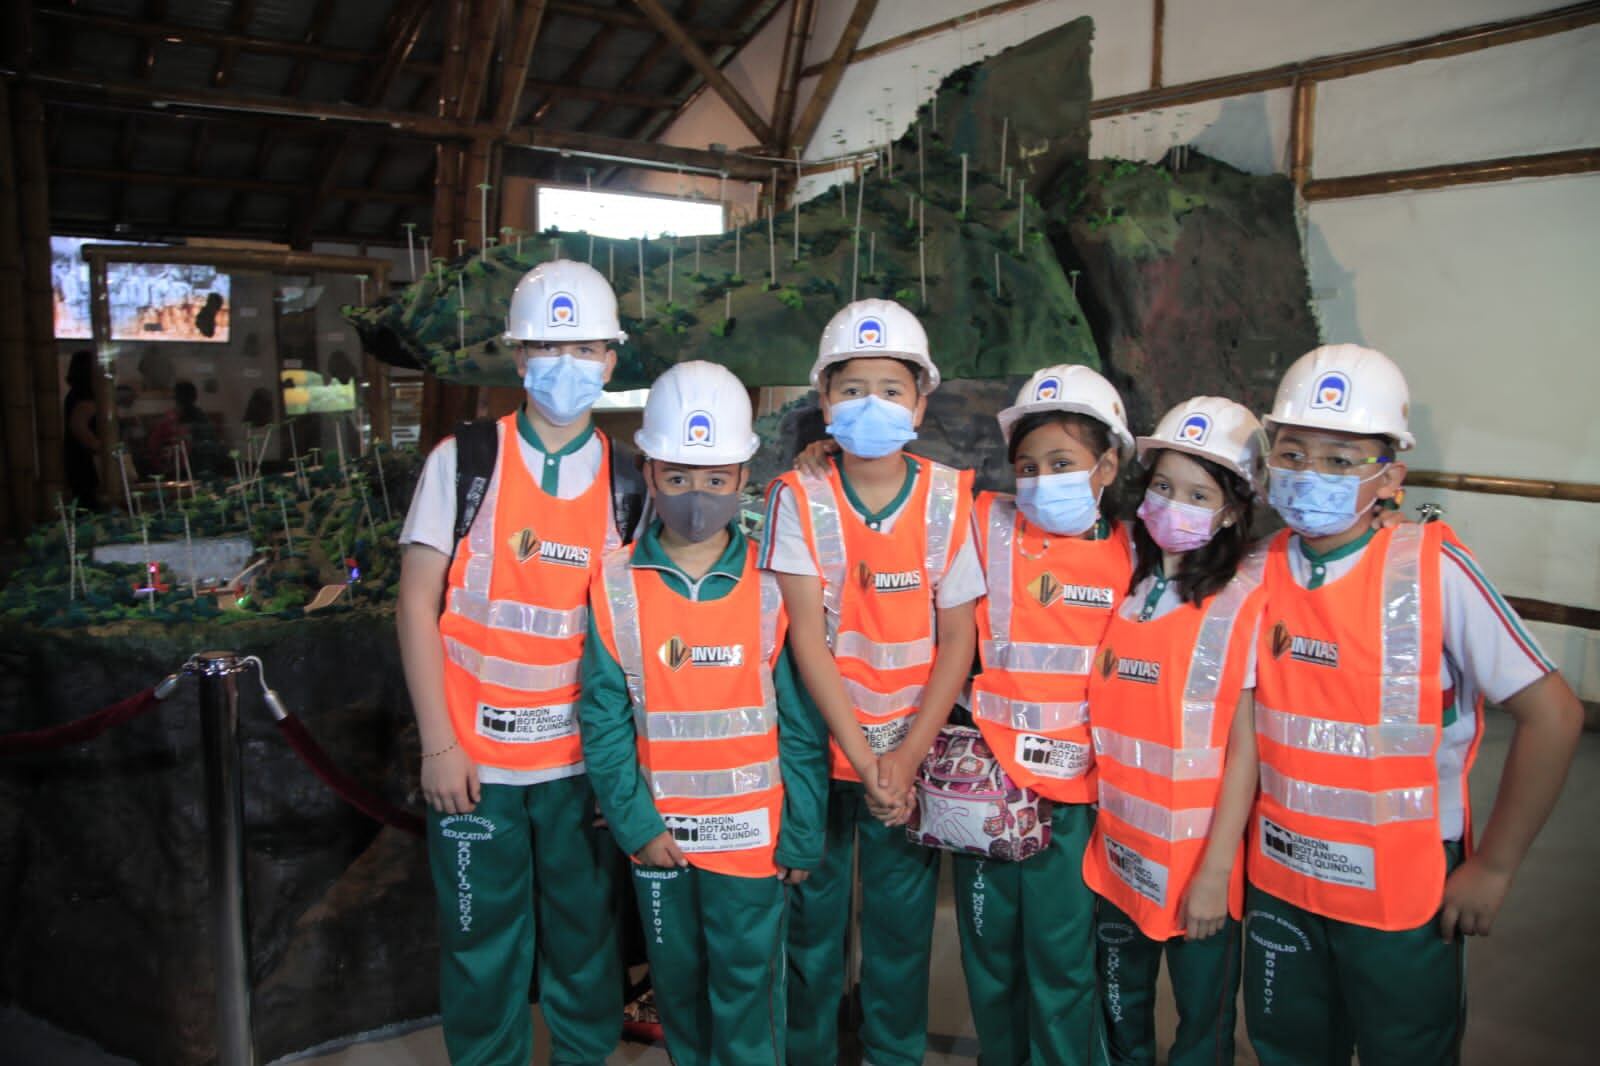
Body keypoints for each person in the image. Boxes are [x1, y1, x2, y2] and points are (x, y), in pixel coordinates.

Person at [1241, 344, 1584, 1065]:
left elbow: (1554, 714)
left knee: (1409, 1051)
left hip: (1404, 894)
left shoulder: (1435, 568)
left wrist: (1492, 866)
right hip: (1282, 877)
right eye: (1294, 452)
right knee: (1289, 1048)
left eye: (1341, 461)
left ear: (1390, 477)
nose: (1310, 475)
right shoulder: (1258, 569)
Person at [395, 259, 644, 1066]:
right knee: (481, 946)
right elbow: (416, 604)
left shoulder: (630, 480)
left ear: (612, 358)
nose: (566, 365)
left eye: (585, 349)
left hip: (579, 768)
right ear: (517, 355)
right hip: (476, 766)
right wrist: (438, 743)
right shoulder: (463, 462)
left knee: (584, 943)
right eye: (546, 345)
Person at [579, 361, 829, 1066]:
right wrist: (635, 824)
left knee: (749, 1003)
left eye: (716, 478)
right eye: (679, 476)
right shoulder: (614, 583)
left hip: (754, 844)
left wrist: (803, 831)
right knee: (681, 995)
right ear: (648, 471)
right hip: (661, 843)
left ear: (743, 477)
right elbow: (602, 719)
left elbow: (801, 724)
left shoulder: (776, 586)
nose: (698, 495)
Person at [761, 298, 979, 1066]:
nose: (872, 404)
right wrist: (862, 752)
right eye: (852, 388)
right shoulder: (798, 496)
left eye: (892, 388)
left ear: (922, 401)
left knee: (900, 930)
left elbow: (959, 637)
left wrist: (905, 758)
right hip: (822, 754)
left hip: (908, 754)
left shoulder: (952, 498)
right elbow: (805, 642)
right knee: (810, 929)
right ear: (824, 399)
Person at [953, 364, 1135, 1066]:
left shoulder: (1136, 551)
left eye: (1063, 463)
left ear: (1109, 463)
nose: (1039, 480)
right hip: (986, 787)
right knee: (990, 958)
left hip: (1078, 798)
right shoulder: (984, 522)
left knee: (1061, 963)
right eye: (1027, 465)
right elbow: (904, 498)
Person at [1081, 396, 1270, 1065]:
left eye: (1197, 493)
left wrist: (1218, 868)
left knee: (1203, 1023)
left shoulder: (1241, 600)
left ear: (1231, 510)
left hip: (1198, 864)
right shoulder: (1125, 582)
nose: (1173, 505)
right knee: (1119, 1005)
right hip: (1119, 853)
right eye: (1163, 486)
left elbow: (1246, 747)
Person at [63, 349, 101, 509]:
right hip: (85, 460)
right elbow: (78, 427)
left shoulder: (74, 394)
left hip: (76, 457)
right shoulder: (85, 396)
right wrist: (101, 449)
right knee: (89, 504)